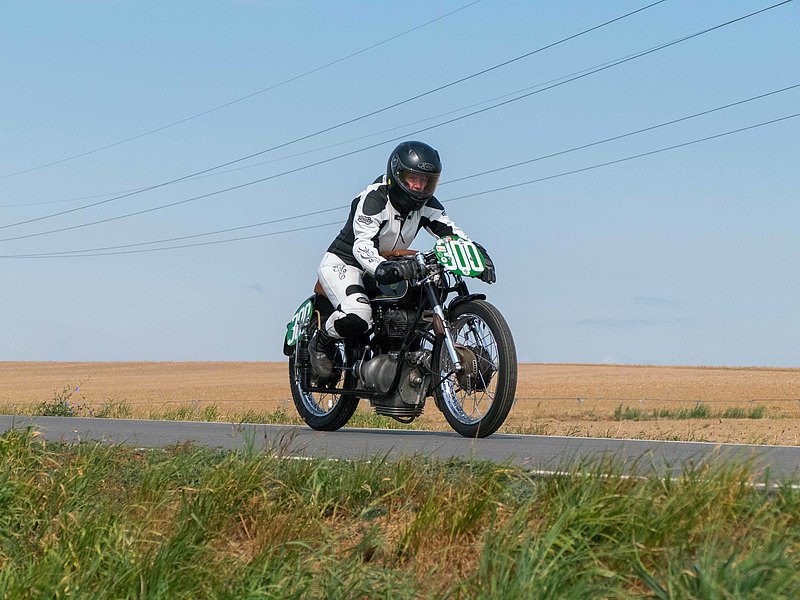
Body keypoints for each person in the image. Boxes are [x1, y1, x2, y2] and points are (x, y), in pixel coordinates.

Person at [310, 140, 495, 378]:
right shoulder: (375, 197)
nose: (419, 185)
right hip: (346, 263)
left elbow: (451, 232)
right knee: (359, 316)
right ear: (396, 174)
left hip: (389, 265)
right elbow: (362, 245)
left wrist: (477, 254)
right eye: (412, 178)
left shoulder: (427, 205)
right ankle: (321, 341)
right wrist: (384, 267)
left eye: (425, 180)